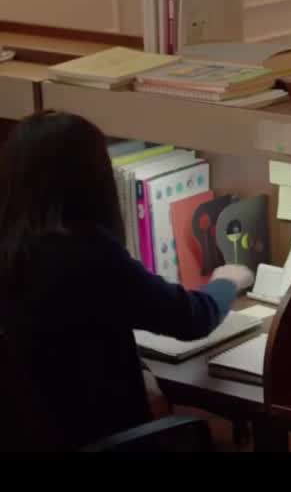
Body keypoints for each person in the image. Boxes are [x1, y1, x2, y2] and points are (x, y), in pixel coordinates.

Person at [0, 111, 255, 451]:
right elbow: (191, 317)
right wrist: (226, 281)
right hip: (99, 434)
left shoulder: (15, 247)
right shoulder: (87, 254)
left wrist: (139, 368)